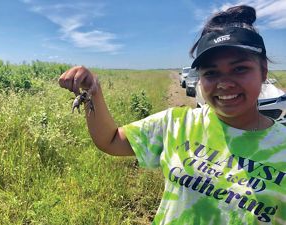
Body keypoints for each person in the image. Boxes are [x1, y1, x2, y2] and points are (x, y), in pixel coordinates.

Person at [59, 5, 286, 225]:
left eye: (239, 69)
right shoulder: (177, 124)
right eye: (211, 72)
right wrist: (93, 91)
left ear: (263, 71)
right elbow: (110, 141)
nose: (224, 83)